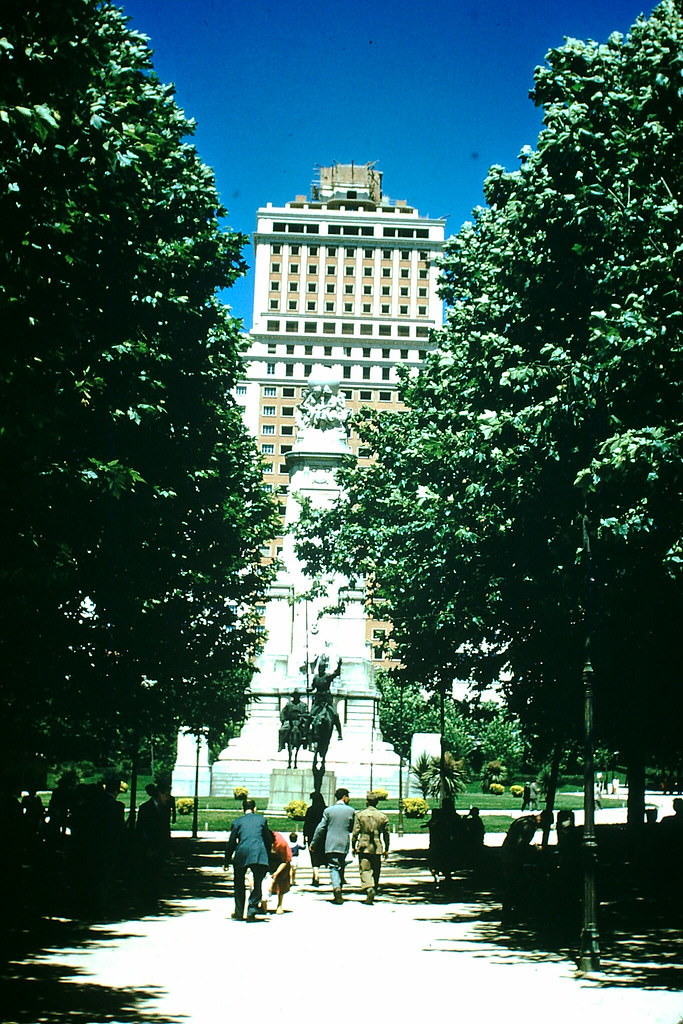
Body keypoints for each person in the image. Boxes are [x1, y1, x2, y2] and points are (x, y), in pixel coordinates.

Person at [224, 798, 274, 921]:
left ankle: (239, 912)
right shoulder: (262, 820)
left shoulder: (237, 822)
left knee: (239, 883)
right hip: (258, 853)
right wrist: (268, 856)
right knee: (257, 883)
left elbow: (231, 842)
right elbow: (268, 839)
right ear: (255, 808)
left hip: (242, 853)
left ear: (243, 809)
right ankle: (252, 908)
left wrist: (227, 860)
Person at [311, 787, 355, 904]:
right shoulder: (351, 811)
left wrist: (314, 842)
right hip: (343, 843)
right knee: (341, 865)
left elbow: (321, 828)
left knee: (333, 866)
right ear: (344, 797)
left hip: (330, 843)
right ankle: (339, 886)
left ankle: (336, 887)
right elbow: (352, 828)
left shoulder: (328, 811)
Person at [352, 793, 390, 904]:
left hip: (364, 845)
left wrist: (353, 845)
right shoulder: (382, 816)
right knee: (376, 869)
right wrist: (386, 848)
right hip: (377, 846)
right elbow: (386, 834)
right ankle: (374, 887)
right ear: (377, 802)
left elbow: (355, 832)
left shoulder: (360, 815)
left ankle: (369, 888)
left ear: (367, 801)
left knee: (365, 869)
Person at [266, 831, 293, 914]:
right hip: (269, 860)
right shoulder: (262, 841)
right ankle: (263, 904)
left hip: (282, 861)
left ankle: (279, 905)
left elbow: (286, 860)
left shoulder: (281, 843)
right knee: (264, 881)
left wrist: (276, 872)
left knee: (281, 882)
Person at [303, 791, 326, 886]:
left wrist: (305, 836)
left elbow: (307, 824)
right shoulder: (326, 809)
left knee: (314, 855)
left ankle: (316, 875)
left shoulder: (310, 810)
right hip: (323, 836)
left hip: (312, 835)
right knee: (322, 854)